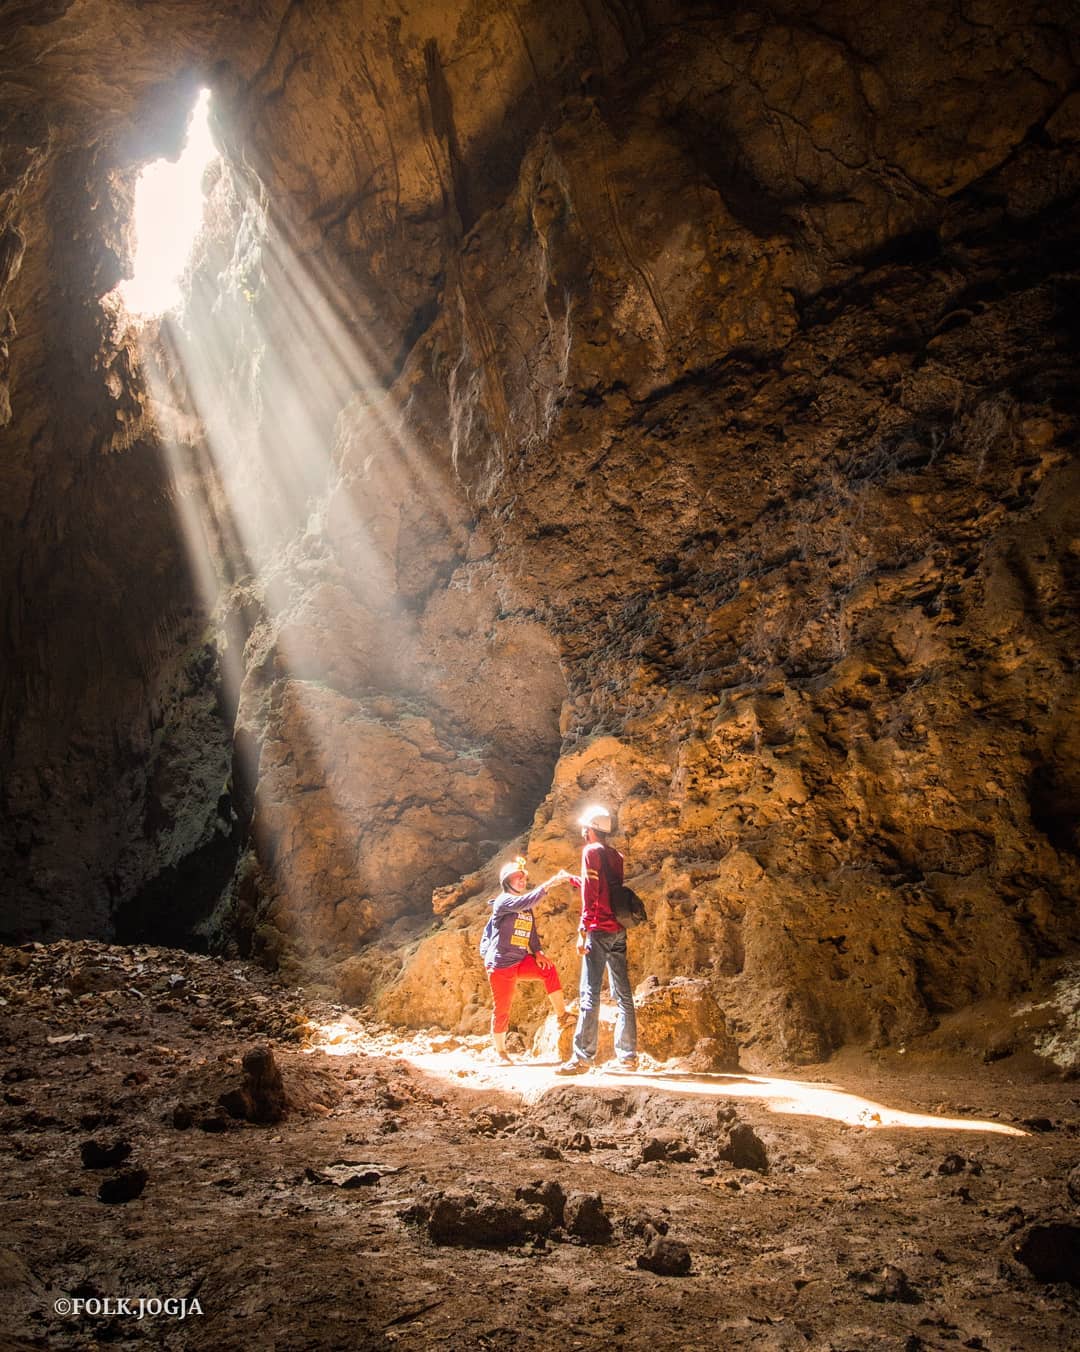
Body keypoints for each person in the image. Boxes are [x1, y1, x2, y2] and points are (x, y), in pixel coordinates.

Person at [556, 805, 638, 1074]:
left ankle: (582, 1057)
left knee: (589, 993)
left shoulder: (590, 851)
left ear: (590, 828)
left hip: (599, 929)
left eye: (585, 827)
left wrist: (583, 929)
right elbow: (605, 888)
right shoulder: (616, 855)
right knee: (623, 994)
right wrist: (574, 880)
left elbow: (592, 895)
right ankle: (628, 1057)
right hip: (618, 928)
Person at [480, 856, 574, 1063]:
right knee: (503, 1008)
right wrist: (550, 883)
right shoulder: (504, 901)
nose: (522, 881)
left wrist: (538, 952)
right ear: (507, 881)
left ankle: (562, 1016)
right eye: (517, 877)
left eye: (523, 878)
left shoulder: (525, 907)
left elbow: (531, 931)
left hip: (520, 960)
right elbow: (526, 900)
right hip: (501, 965)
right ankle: (501, 1052)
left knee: (547, 969)